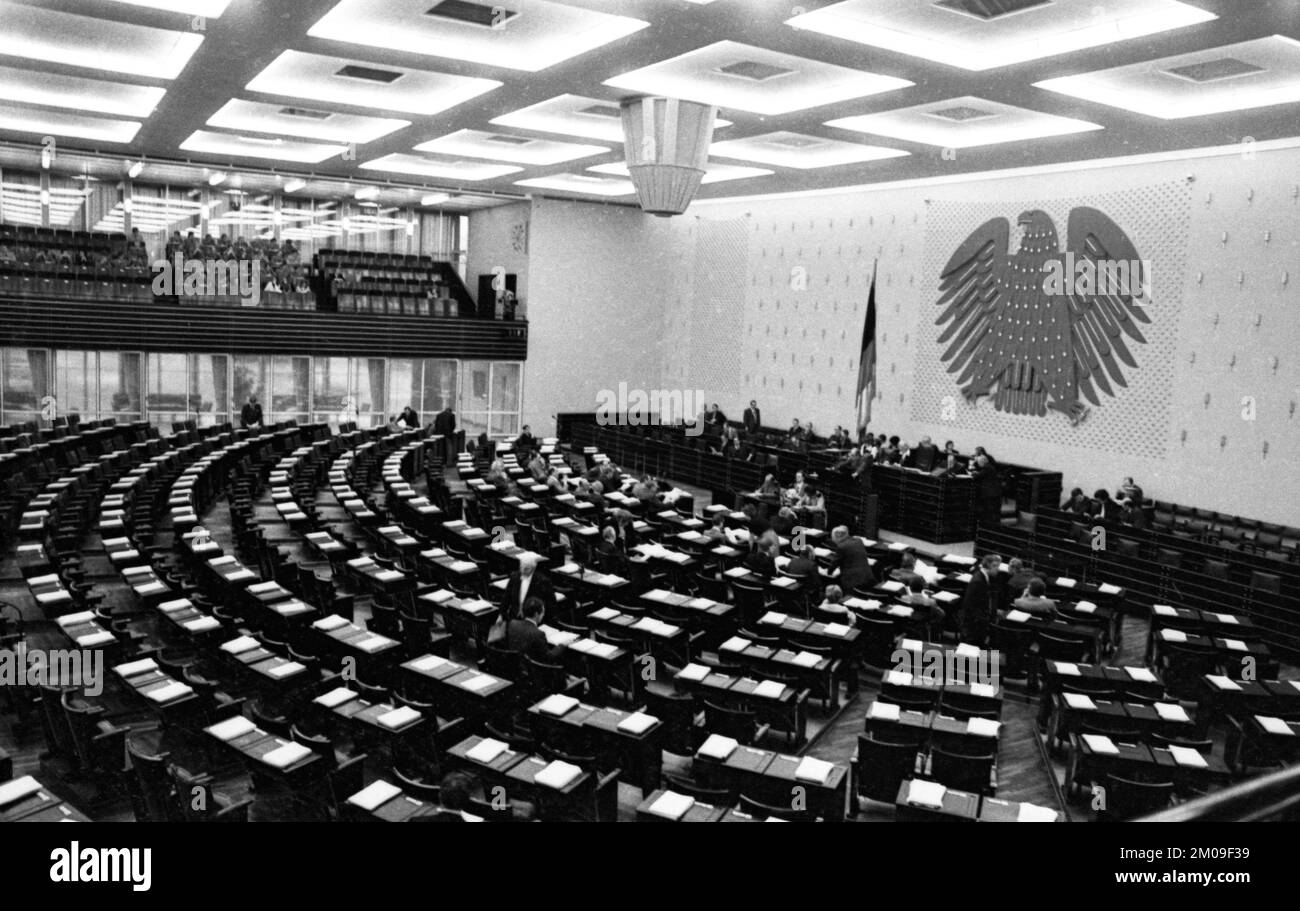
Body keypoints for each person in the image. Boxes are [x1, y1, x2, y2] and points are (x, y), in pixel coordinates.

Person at [960, 553, 1002, 646]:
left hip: (976, 623)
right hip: (973, 627)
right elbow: (971, 605)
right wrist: (985, 624)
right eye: (997, 567)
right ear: (991, 566)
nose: (998, 570)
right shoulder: (978, 581)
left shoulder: (983, 577)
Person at [505, 596, 562, 661]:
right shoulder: (538, 634)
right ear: (536, 614)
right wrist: (561, 646)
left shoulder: (512, 623)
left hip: (515, 662)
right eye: (543, 612)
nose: (543, 615)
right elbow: (548, 657)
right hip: (530, 667)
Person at [502, 554, 555, 621]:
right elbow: (506, 597)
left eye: (527, 568)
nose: (523, 570)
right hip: (514, 617)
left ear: (533, 568)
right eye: (521, 567)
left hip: (532, 620)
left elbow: (550, 605)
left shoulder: (543, 581)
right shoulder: (514, 577)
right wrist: (501, 614)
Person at [831, 525, 875, 593]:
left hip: (852, 582)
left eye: (834, 539)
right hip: (867, 576)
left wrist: (828, 572)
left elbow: (834, 564)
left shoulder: (841, 547)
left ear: (838, 537)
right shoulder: (858, 540)